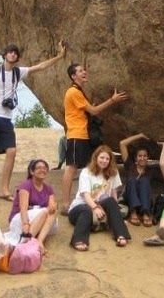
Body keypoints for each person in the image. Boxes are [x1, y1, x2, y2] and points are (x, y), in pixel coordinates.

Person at [0, 41, 66, 203]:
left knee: (11, 151)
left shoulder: (19, 72)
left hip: (6, 118)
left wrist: (59, 57)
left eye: (15, 53)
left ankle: (4, 189)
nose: (13, 54)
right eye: (10, 52)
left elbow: (40, 67)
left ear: (18, 57)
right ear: (4, 55)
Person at [61, 63, 128, 214]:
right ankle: (65, 204)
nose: (84, 72)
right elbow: (93, 110)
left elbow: (87, 110)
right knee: (71, 168)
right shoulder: (73, 92)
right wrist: (112, 100)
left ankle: (90, 199)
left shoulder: (79, 91)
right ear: (73, 76)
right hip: (76, 134)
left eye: (84, 70)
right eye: (80, 71)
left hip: (82, 134)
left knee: (85, 168)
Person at [67, 144, 131, 250]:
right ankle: (79, 240)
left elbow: (113, 194)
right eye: (102, 157)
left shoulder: (113, 173)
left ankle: (121, 234)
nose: (104, 161)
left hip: (99, 206)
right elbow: (85, 194)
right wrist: (95, 208)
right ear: (96, 157)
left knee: (110, 201)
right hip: (80, 208)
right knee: (86, 210)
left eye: (107, 159)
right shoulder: (86, 172)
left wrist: (117, 216)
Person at [5, 159, 58, 254]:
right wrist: (25, 224)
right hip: (21, 219)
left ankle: (39, 241)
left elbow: (52, 206)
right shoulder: (26, 185)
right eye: (39, 168)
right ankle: (27, 241)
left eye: (45, 168)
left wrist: (53, 206)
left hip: (39, 220)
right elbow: (23, 208)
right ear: (31, 171)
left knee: (52, 211)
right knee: (45, 211)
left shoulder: (49, 189)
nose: (42, 170)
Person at [120, 132, 155, 226]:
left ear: (148, 157)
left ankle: (145, 213)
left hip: (145, 201)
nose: (142, 158)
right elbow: (122, 144)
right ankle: (133, 212)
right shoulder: (130, 166)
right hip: (130, 200)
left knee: (144, 180)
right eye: (140, 156)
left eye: (145, 156)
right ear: (135, 158)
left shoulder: (150, 170)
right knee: (132, 180)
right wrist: (140, 136)